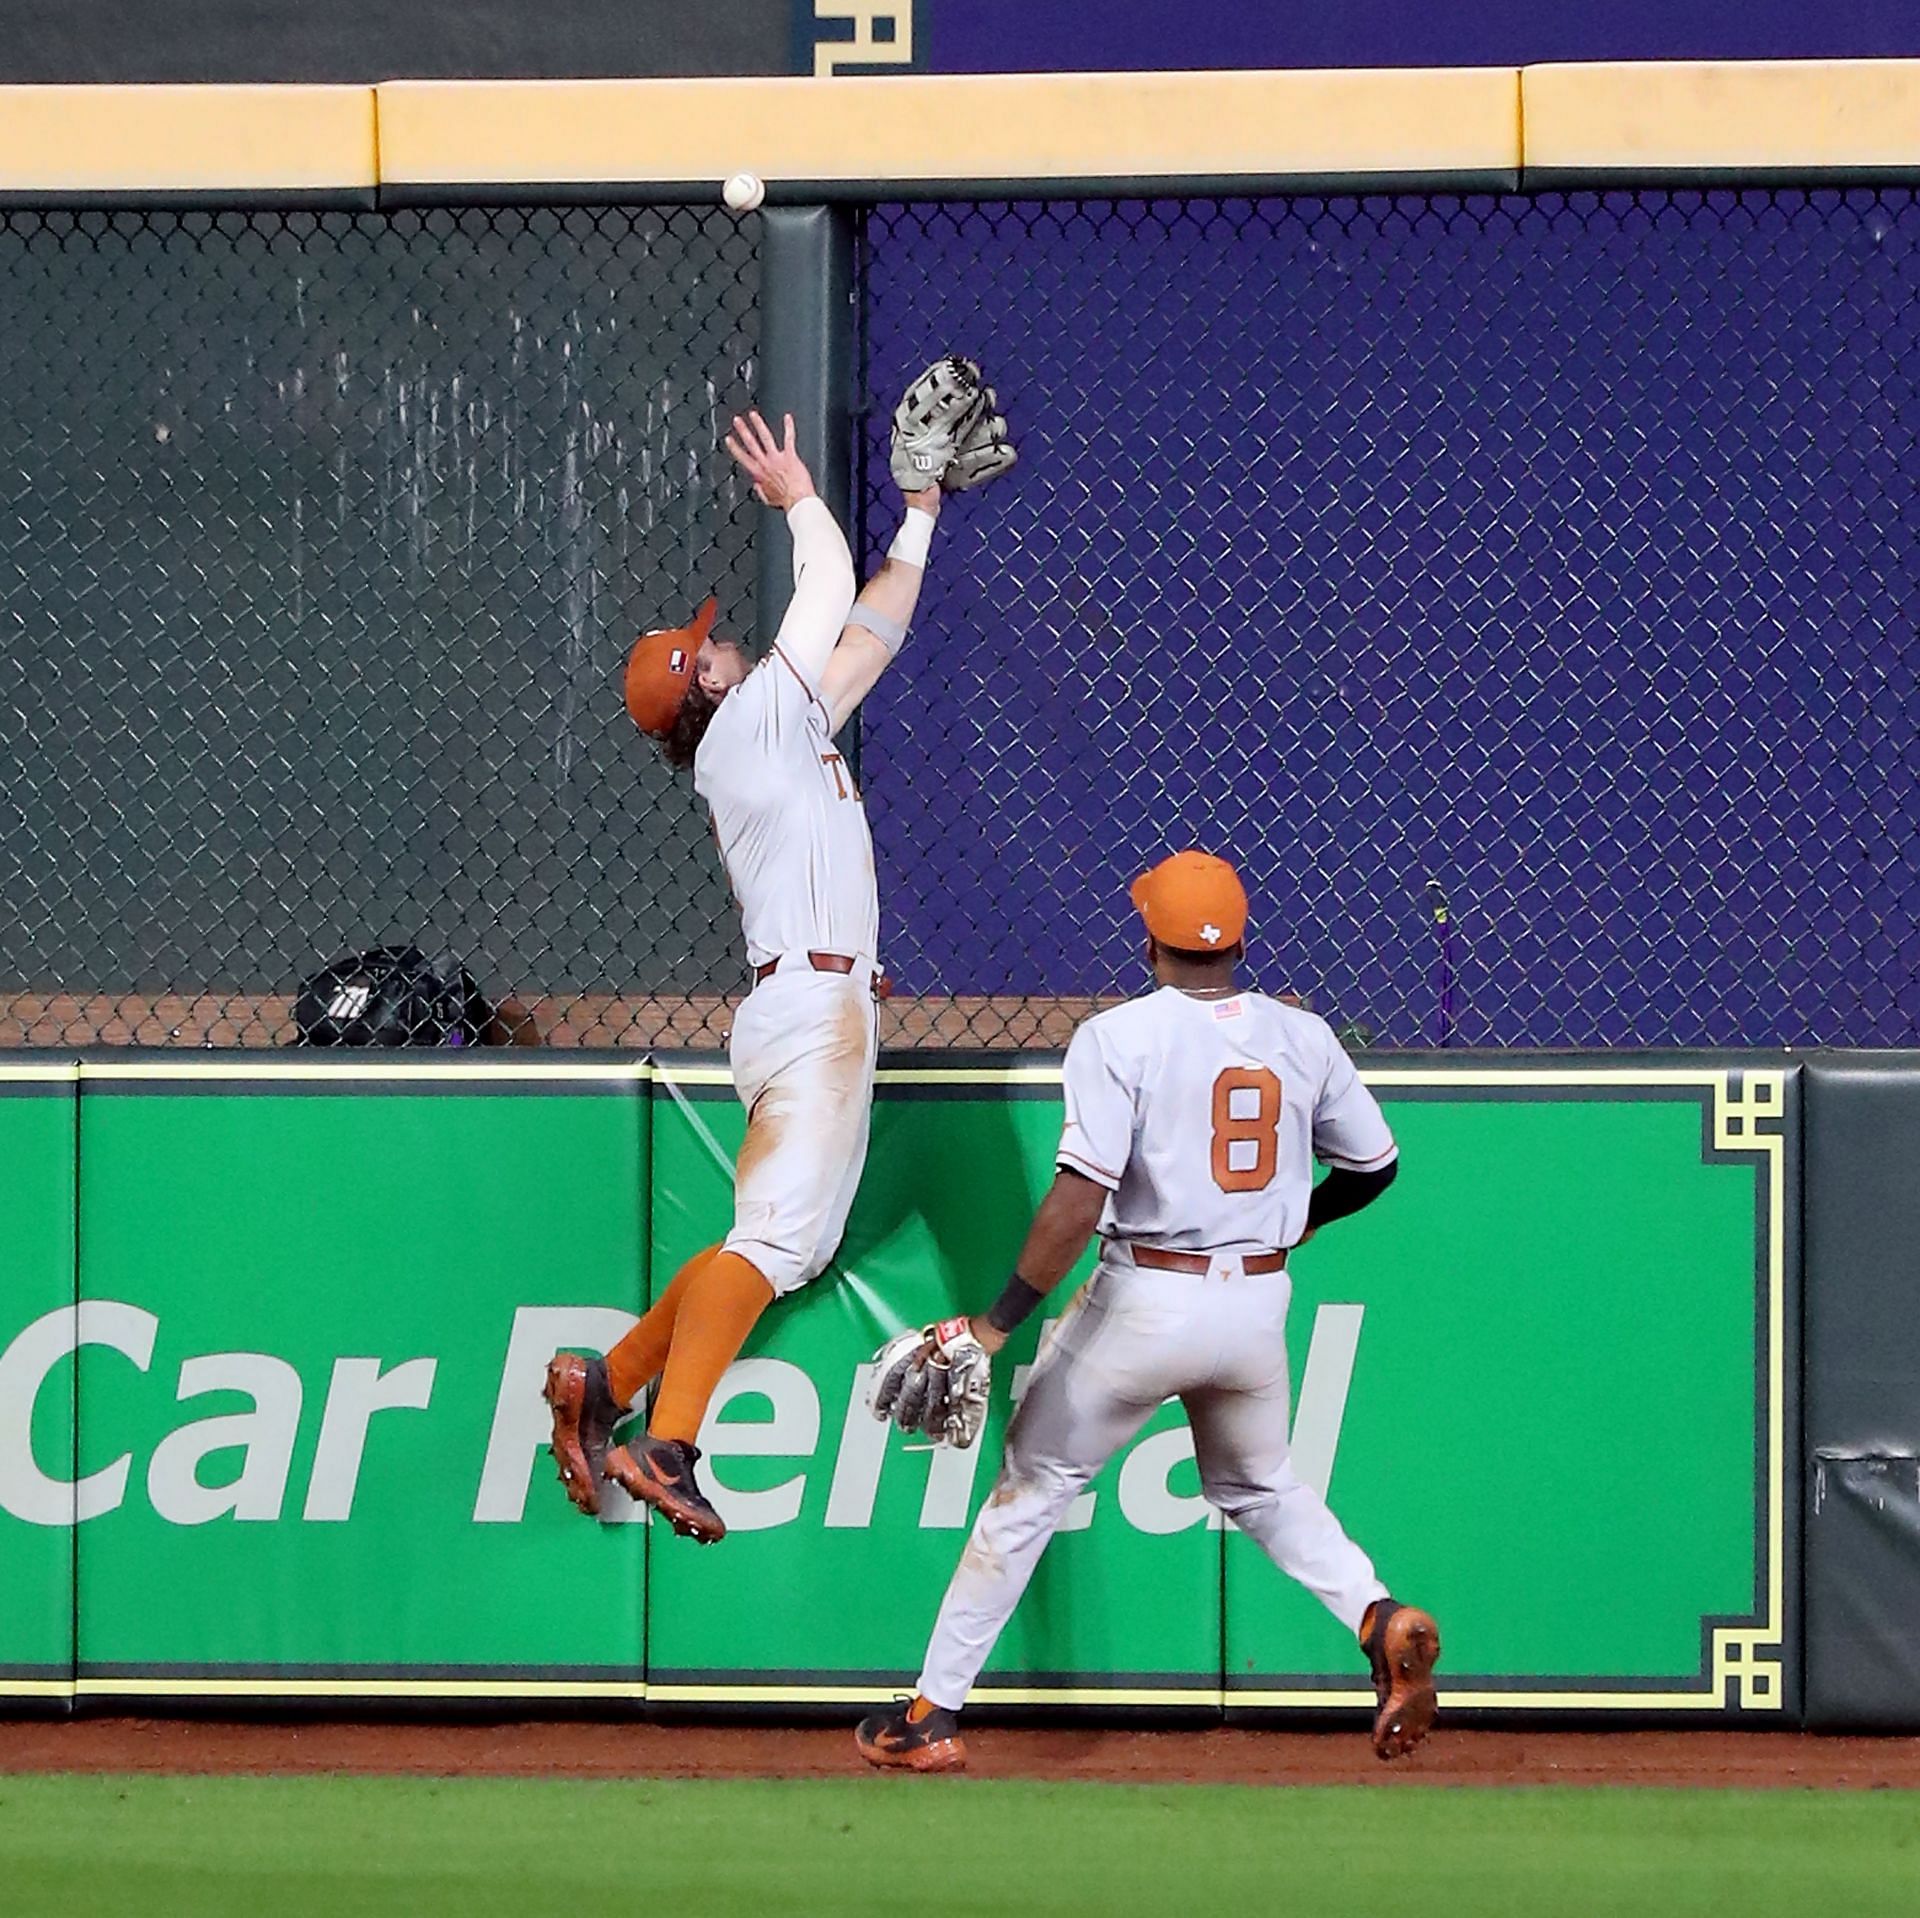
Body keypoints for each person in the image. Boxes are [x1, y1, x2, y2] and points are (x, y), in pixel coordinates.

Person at [855, 849, 1439, 1770]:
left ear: (1148, 938)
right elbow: (1375, 1167)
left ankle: (928, 1716)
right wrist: (1296, 1223)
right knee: (1259, 1486)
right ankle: (1376, 1615)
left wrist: (997, 1320)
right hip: (1254, 1304)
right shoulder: (1304, 1035)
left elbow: (1080, 1200)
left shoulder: (1118, 1036)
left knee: (1033, 1487)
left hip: (1147, 1297)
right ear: (1240, 940)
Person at [543, 408, 942, 1543]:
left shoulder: (772, 720)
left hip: (805, 1008)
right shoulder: (751, 720)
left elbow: (868, 631)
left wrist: (918, 518)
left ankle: (606, 1380)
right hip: (814, 1013)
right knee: (774, 1244)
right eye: (708, 646)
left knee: (785, 1243)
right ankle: (664, 1441)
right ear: (707, 688)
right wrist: (797, 494)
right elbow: (822, 591)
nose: (723, 640)